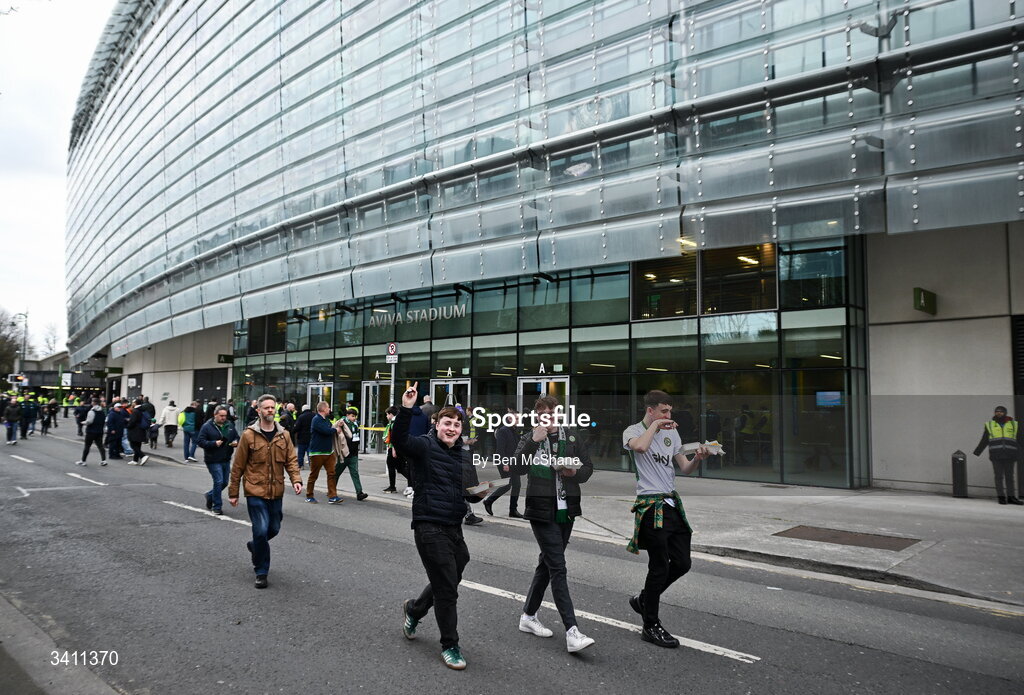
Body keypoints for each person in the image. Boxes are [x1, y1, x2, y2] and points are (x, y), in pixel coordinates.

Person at [393, 383, 483, 671]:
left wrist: (482, 492)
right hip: (429, 526)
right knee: (447, 590)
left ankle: (415, 609)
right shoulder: (423, 445)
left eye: (457, 424)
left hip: (454, 526)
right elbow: (400, 440)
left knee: (454, 572)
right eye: (447, 422)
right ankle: (450, 645)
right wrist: (407, 408)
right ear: (437, 424)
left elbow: (467, 491)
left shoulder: (462, 455)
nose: (453, 428)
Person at [623, 390, 710, 648]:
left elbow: (684, 467)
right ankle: (650, 625)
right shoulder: (632, 431)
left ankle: (643, 600)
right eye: (663, 411)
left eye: (670, 411)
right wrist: (656, 426)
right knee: (659, 565)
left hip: (672, 503)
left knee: (682, 563)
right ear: (650, 410)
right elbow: (640, 447)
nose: (668, 416)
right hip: (650, 506)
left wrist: (698, 458)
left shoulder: (672, 433)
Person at [509, 396, 596, 652]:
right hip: (540, 510)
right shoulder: (530, 438)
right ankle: (572, 631)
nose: (548, 416)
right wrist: (534, 442)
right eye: (542, 412)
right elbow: (515, 467)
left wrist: (573, 472)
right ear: (537, 416)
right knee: (558, 566)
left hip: (566, 510)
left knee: (547, 565)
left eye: (552, 412)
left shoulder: (571, 437)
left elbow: (588, 468)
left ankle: (528, 616)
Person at [228, 394, 303, 589]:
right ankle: (261, 571)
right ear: (259, 411)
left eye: (272, 408)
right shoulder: (248, 435)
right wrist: (233, 492)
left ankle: (255, 546)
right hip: (255, 490)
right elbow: (238, 466)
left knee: (274, 528)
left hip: (276, 490)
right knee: (260, 530)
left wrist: (296, 480)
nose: (270, 410)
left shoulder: (283, 435)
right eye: (266, 408)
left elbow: (291, 461)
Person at [974, 405, 1024, 505]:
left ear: (1005, 413)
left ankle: (1011, 498)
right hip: (996, 455)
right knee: (998, 477)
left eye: (1001, 411)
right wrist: (977, 451)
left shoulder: (1013, 424)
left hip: (1010, 455)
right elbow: (985, 439)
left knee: (1010, 477)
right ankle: (1001, 497)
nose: (999, 413)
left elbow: (1020, 439)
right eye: (997, 411)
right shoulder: (990, 425)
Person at [197, 405, 240, 515]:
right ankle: (217, 507)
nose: (223, 418)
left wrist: (236, 442)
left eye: (225, 416)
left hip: (225, 458)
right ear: (215, 415)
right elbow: (200, 441)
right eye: (221, 416)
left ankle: (210, 495)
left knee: (224, 483)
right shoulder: (207, 426)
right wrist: (213, 443)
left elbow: (236, 436)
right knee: (219, 481)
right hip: (213, 459)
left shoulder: (229, 425)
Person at [483, 406, 523, 518]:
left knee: (517, 485)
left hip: (513, 462)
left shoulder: (514, 431)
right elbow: (500, 449)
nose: (519, 420)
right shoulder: (503, 431)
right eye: (517, 418)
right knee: (507, 484)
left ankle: (513, 510)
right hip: (504, 461)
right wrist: (504, 463)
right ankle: (488, 501)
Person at [304, 401, 343, 505]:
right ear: (323, 409)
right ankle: (309, 495)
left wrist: (337, 425)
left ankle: (333, 496)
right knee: (314, 475)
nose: (329, 409)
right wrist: (335, 430)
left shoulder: (326, 420)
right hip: (317, 452)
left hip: (329, 452)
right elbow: (326, 431)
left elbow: (330, 428)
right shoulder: (316, 420)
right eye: (328, 408)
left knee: (331, 474)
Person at [336, 408, 368, 500]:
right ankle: (332, 490)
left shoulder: (355, 424)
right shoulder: (342, 423)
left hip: (353, 453)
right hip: (345, 453)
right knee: (337, 473)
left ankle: (359, 492)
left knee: (355, 473)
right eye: (352, 416)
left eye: (355, 416)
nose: (354, 418)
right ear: (347, 415)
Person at [76, 398, 107, 466]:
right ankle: (104, 460)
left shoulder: (92, 411)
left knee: (87, 446)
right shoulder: (102, 411)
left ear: (93, 403)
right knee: (100, 446)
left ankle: (83, 461)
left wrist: (82, 422)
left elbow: (89, 421)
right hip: (99, 431)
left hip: (91, 431)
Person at [125, 398, 151, 466]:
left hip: (135, 430)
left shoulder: (135, 410)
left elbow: (133, 421)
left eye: (133, 402)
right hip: (141, 429)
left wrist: (128, 425)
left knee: (133, 445)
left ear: (135, 403)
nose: (132, 403)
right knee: (138, 445)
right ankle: (135, 460)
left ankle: (143, 456)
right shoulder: (142, 409)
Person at [293, 404, 314, 469]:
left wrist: (293, 431)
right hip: (311, 437)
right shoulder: (314, 416)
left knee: (301, 453)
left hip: (302, 437)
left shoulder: (301, 417)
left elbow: (297, 427)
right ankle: (312, 465)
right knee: (310, 452)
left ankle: (301, 465)